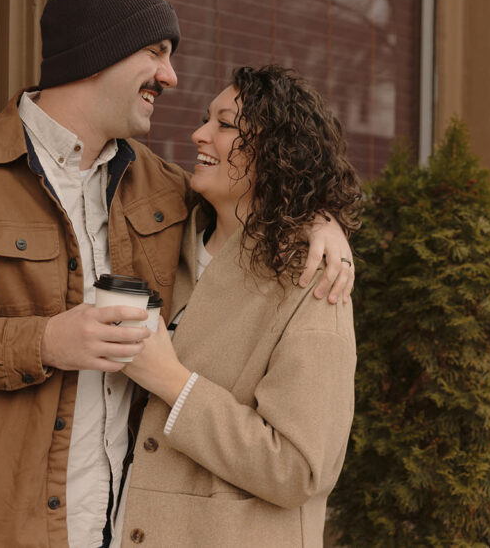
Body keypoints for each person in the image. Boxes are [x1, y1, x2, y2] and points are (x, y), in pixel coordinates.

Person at [0, 0, 355, 548]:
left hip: (116, 530)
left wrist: (319, 219)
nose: (170, 76)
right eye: (155, 52)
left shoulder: (166, 190)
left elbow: (260, 195)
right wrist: (43, 342)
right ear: (97, 55)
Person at [115, 64, 362, 547]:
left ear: (278, 152)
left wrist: (172, 381)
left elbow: (299, 468)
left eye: (225, 125)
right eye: (207, 120)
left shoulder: (313, 281)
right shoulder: (167, 237)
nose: (198, 134)